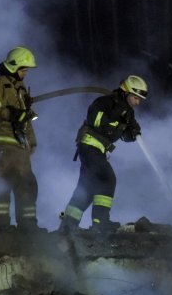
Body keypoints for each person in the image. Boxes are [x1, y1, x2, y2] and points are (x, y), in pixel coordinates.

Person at [59, 75, 147, 233]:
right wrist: (120, 126)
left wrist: (133, 132)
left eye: (139, 99)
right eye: (135, 98)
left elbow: (126, 136)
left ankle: (67, 225)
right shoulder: (105, 102)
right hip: (89, 145)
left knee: (86, 189)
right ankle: (101, 222)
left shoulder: (128, 113)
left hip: (98, 150)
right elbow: (97, 121)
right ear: (126, 93)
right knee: (107, 178)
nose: (137, 102)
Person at [0, 46, 40, 231]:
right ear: (14, 67)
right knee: (2, 186)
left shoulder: (20, 88)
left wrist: (32, 140)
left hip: (20, 147)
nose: (26, 74)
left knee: (27, 186)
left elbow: (26, 119)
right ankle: (2, 227)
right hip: (3, 145)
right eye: (24, 70)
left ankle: (28, 225)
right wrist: (11, 113)